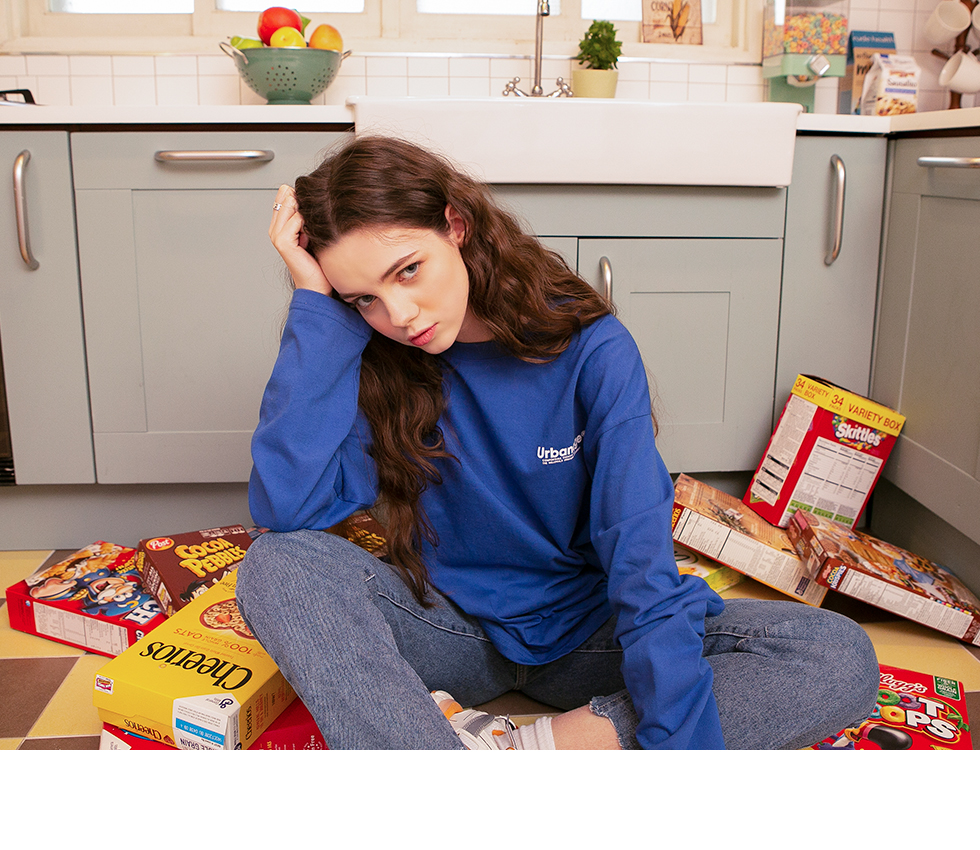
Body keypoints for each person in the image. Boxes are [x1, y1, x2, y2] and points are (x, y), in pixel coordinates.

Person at [236, 135, 879, 750]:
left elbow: (639, 557)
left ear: (455, 225)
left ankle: (530, 751)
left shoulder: (593, 350)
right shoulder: (370, 355)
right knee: (277, 566)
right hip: (448, 630)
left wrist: (675, 751)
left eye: (408, 270)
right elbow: (289, 509)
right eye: (364, 299)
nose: (398, 315)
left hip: (588, 635)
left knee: (835, 653)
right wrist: (316, 304)